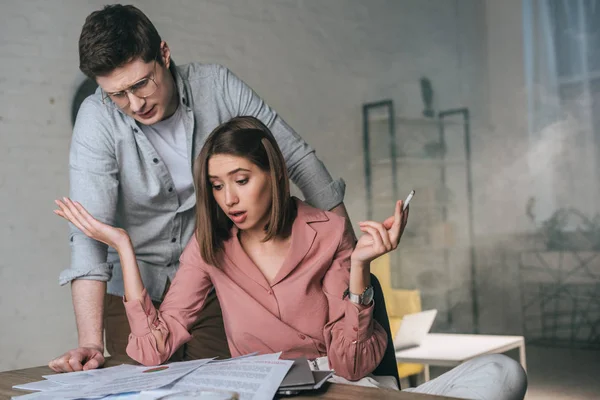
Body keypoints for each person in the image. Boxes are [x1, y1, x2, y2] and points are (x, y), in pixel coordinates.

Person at [54, 117, 527, 400]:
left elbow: (351, 365)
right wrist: (123, 249)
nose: (228, 199)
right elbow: (152, 351)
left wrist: (360, 267)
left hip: (341, 388)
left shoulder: (326, 230)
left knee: (503, 372)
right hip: (265, 391)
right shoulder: (209, 246)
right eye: (217, 186)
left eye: (241, 179)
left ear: (273, 174)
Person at [49, 4, 352, 373]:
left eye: (141, 83)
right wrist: (90, 342)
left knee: (218, 383)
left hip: (208, 277)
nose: (134, 104)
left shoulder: (217, 86)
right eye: (117, 94)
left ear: (163, 53)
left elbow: (298, 159)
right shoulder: (96, 119)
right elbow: (88, 233)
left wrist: (349, 256)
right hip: (132, 286)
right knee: (142, 386)